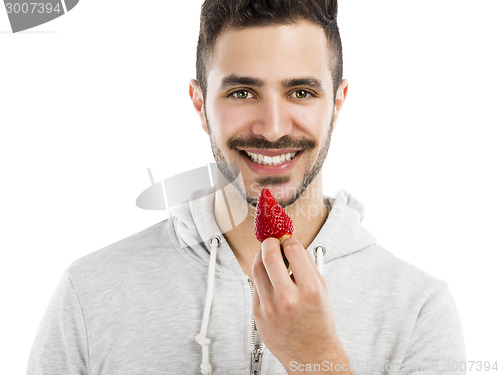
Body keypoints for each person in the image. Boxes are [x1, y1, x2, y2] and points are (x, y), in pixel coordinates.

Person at [27, 1, 466, 374]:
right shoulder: (87, 294)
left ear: (338, 103)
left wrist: (316, 357)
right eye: (241, 92)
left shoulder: (419, 310)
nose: (273, 130)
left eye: (300, 92)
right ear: (200, 105)